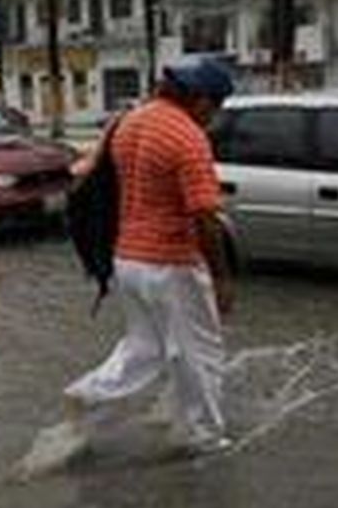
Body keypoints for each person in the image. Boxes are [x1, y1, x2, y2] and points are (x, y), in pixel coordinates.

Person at [61, 56, 237, 459]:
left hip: (129, 259)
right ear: (201, 100)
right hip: (172, 263)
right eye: (216, 107)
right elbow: (204, 217)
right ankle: (204, 438)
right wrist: (222, 278)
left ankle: (90, 396)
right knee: (199, 353)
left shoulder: (130, 122)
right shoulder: (187, 138)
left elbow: (89, 175)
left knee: (145, 348)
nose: (214, 117)